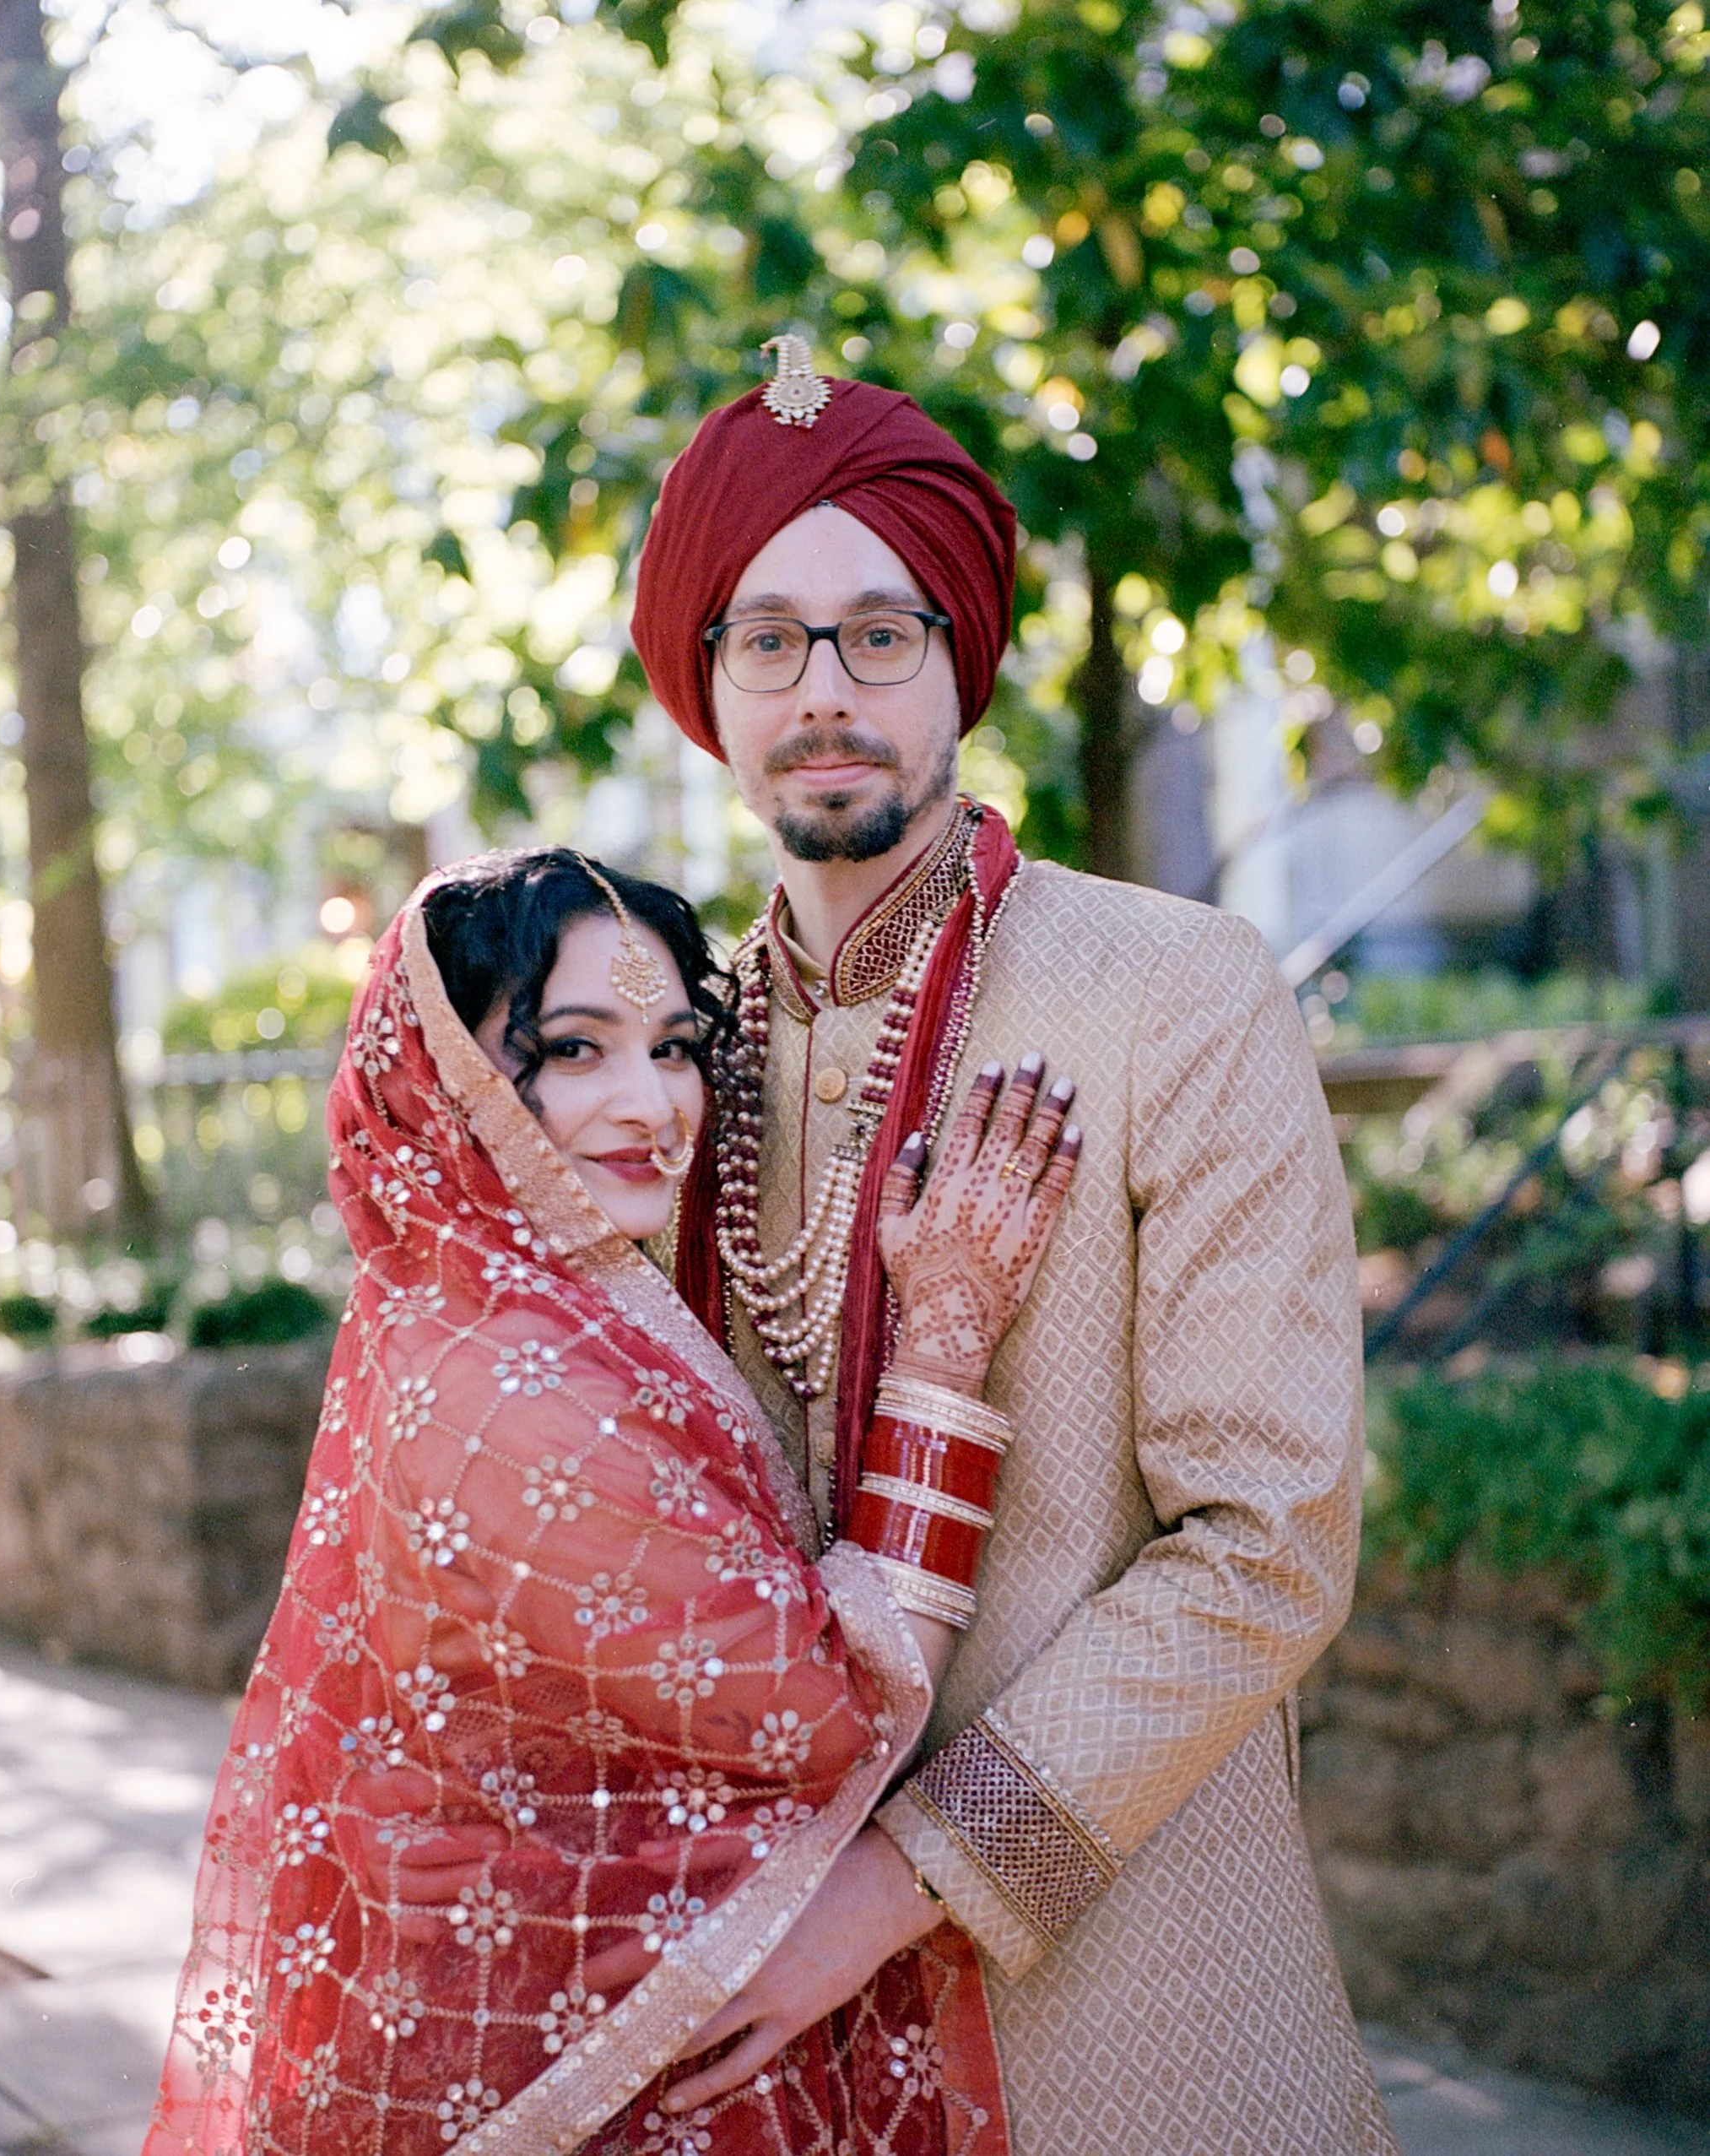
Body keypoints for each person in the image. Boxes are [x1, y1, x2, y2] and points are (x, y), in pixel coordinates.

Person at [626, 341, 1397, 2154]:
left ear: (957, 656)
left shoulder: (1173, 991)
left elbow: (1268, 1541)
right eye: (767, 637)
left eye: (879, 632)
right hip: (750, 1997)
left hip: (1130, 1987)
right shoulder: (669, 1058)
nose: (825, 688)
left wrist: (899, 1878)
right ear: (708, 684)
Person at [142, 846, 1080, 2156]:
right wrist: (946, 1339)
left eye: (676, 1045)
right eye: (575, 1050)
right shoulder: (510, 1394)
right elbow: (832, 1706)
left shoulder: (500, 1308)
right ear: (449, 1079)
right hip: (574, 2079)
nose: (653, 1104)